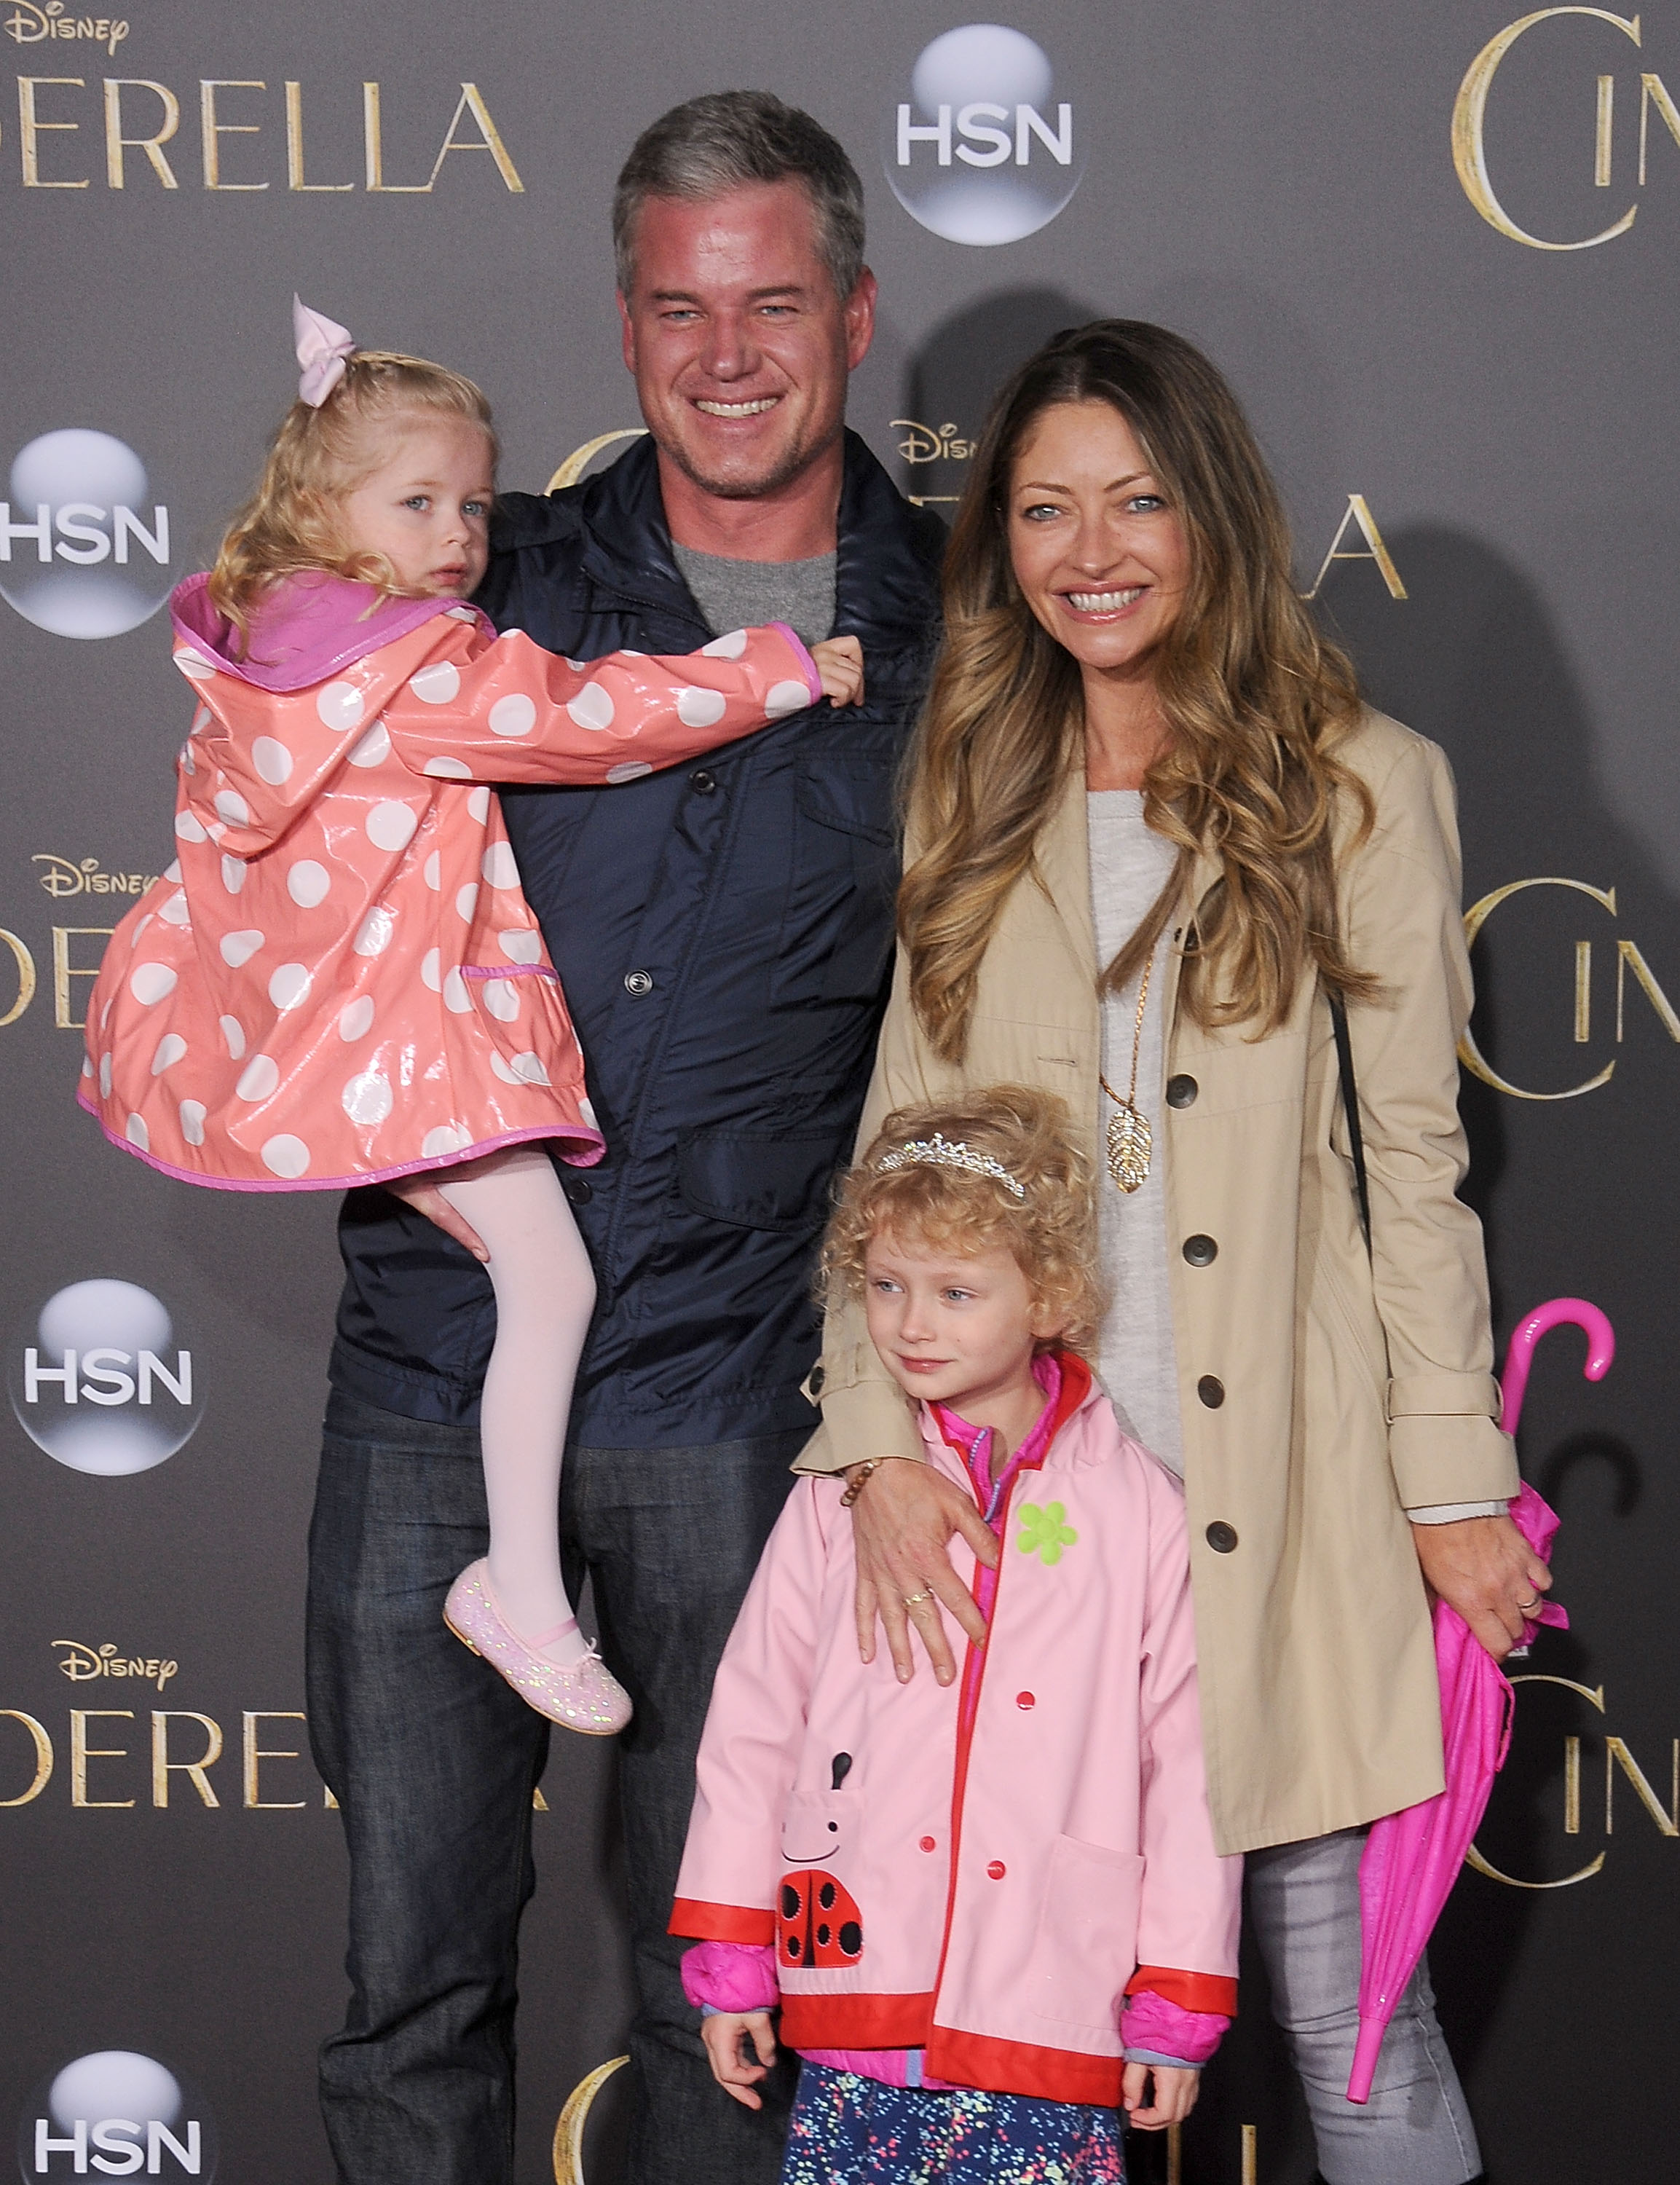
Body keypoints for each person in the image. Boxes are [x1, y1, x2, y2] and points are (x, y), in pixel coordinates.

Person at [800, 321, 1553, 2185]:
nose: (1090, 549)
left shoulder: (1362, 783)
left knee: (1348, 2035)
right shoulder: (968, 788)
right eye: (1043, 508)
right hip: (1025, 1547)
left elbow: (1413, 1170)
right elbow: (894, 1156)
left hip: (1281, 1520)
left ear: (1212, 512)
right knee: (1007, 2068)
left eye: (1135, 498)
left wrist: (1446, 1483)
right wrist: (873, 1448)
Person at [307, 93, 944, 2185]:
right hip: (434, 1370)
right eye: (682, 308)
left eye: (772, 300)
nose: (728, 349)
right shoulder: (471, 591)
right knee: (409, 1991)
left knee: (723, 1997)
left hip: (738, 1405)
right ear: (625, 329)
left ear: (853, 312)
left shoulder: (955, 636)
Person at [81, 302, 856, 1744]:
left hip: (314, 1062)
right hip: (404, 1067)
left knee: (527, 1280)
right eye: (416, 502)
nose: (458, 536)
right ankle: (518, 1586)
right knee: (552, 1288)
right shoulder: (417, 668)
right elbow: (590, 714)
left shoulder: (257, 661)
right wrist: (781, 668)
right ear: (326, 506)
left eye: (467, 502)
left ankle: (518, 1577)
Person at [673, 1087, 1240, 2185]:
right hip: (858, 1988)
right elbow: (754, 1720)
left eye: (955, 1292)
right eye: (885, 1287)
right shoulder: (842, 1494)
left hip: (1049, 1995)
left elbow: (1191, 1773)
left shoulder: (1143, 1513)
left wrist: (1177, 1991)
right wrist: (733, 1945)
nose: (912, 1323)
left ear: (1051, 1299)